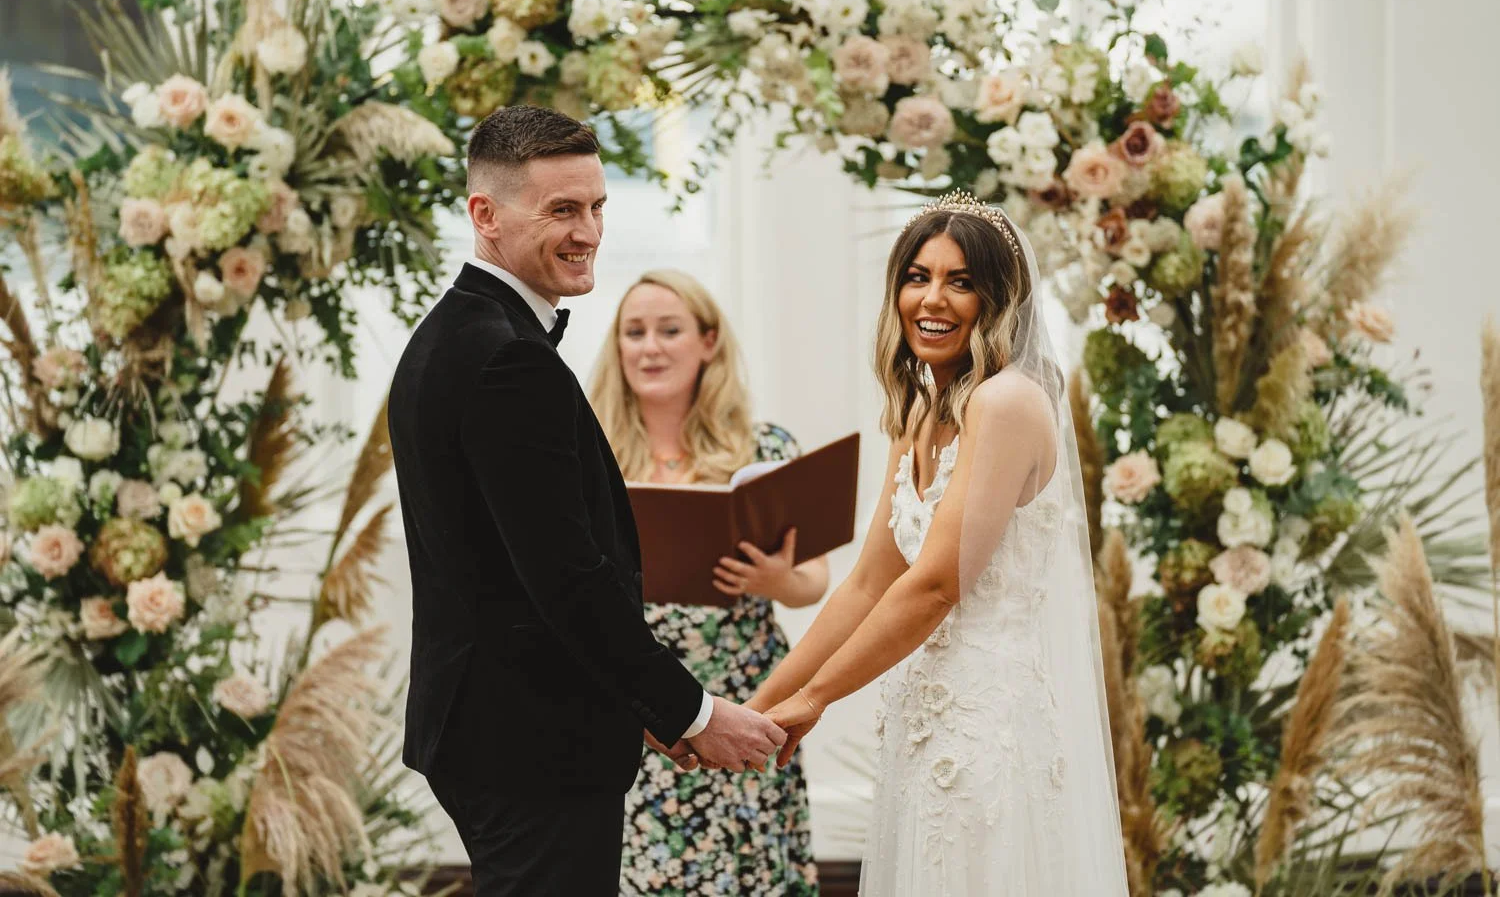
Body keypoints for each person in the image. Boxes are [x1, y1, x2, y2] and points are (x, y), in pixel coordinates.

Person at [387, 106, 785, 896]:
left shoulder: (455, 334)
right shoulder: (508, 361)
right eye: (563, 210)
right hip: (534, 742)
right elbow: (564, 578)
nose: (590, 231)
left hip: (493, 728)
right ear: (485, 214)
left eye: (598, 206)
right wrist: (691, 712)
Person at [746, 191, 1129, 894]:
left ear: (998, 299)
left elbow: (937, 585)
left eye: (961, 281)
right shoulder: (920, 409)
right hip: (923, 722)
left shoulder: (1007, 402)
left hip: (989, 732)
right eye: (918, 276)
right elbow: (867, 584)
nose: (933, 299)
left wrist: (818, 699)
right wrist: (760, 704)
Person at [589, 269, 826, 896]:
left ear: (709, 342)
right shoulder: (593, 452)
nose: (650, 347)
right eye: (634, 332)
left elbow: (815, 582)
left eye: (670, 330)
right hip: (641, 715)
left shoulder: (762, 448)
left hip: (751, 704)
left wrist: (774, 578)